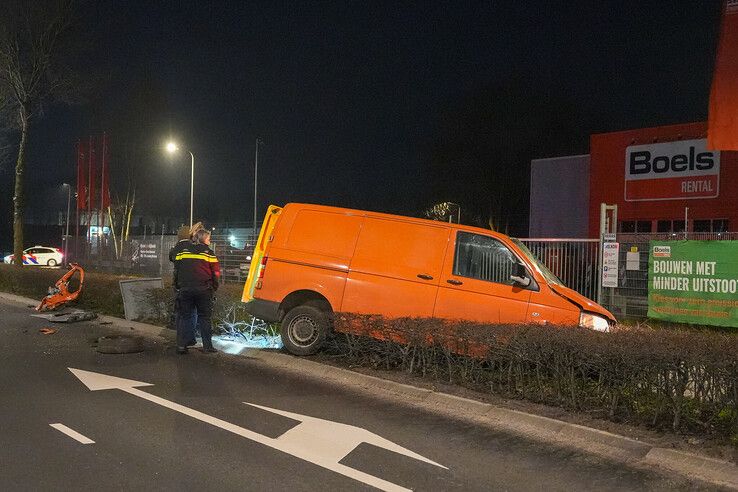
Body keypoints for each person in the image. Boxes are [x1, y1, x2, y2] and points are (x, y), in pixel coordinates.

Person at [173, 227, 220, 354]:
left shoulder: (183, 252)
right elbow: (215, 272)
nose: (210, 240)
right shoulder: (209, 253)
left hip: (185, 289)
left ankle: (182, 346)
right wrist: (214, 287)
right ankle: (207, 347)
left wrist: (177, 285)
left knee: (185, 317)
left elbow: (176, 270)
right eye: (209, 238)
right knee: (204, 318)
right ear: (204, 238)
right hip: (204, 290)